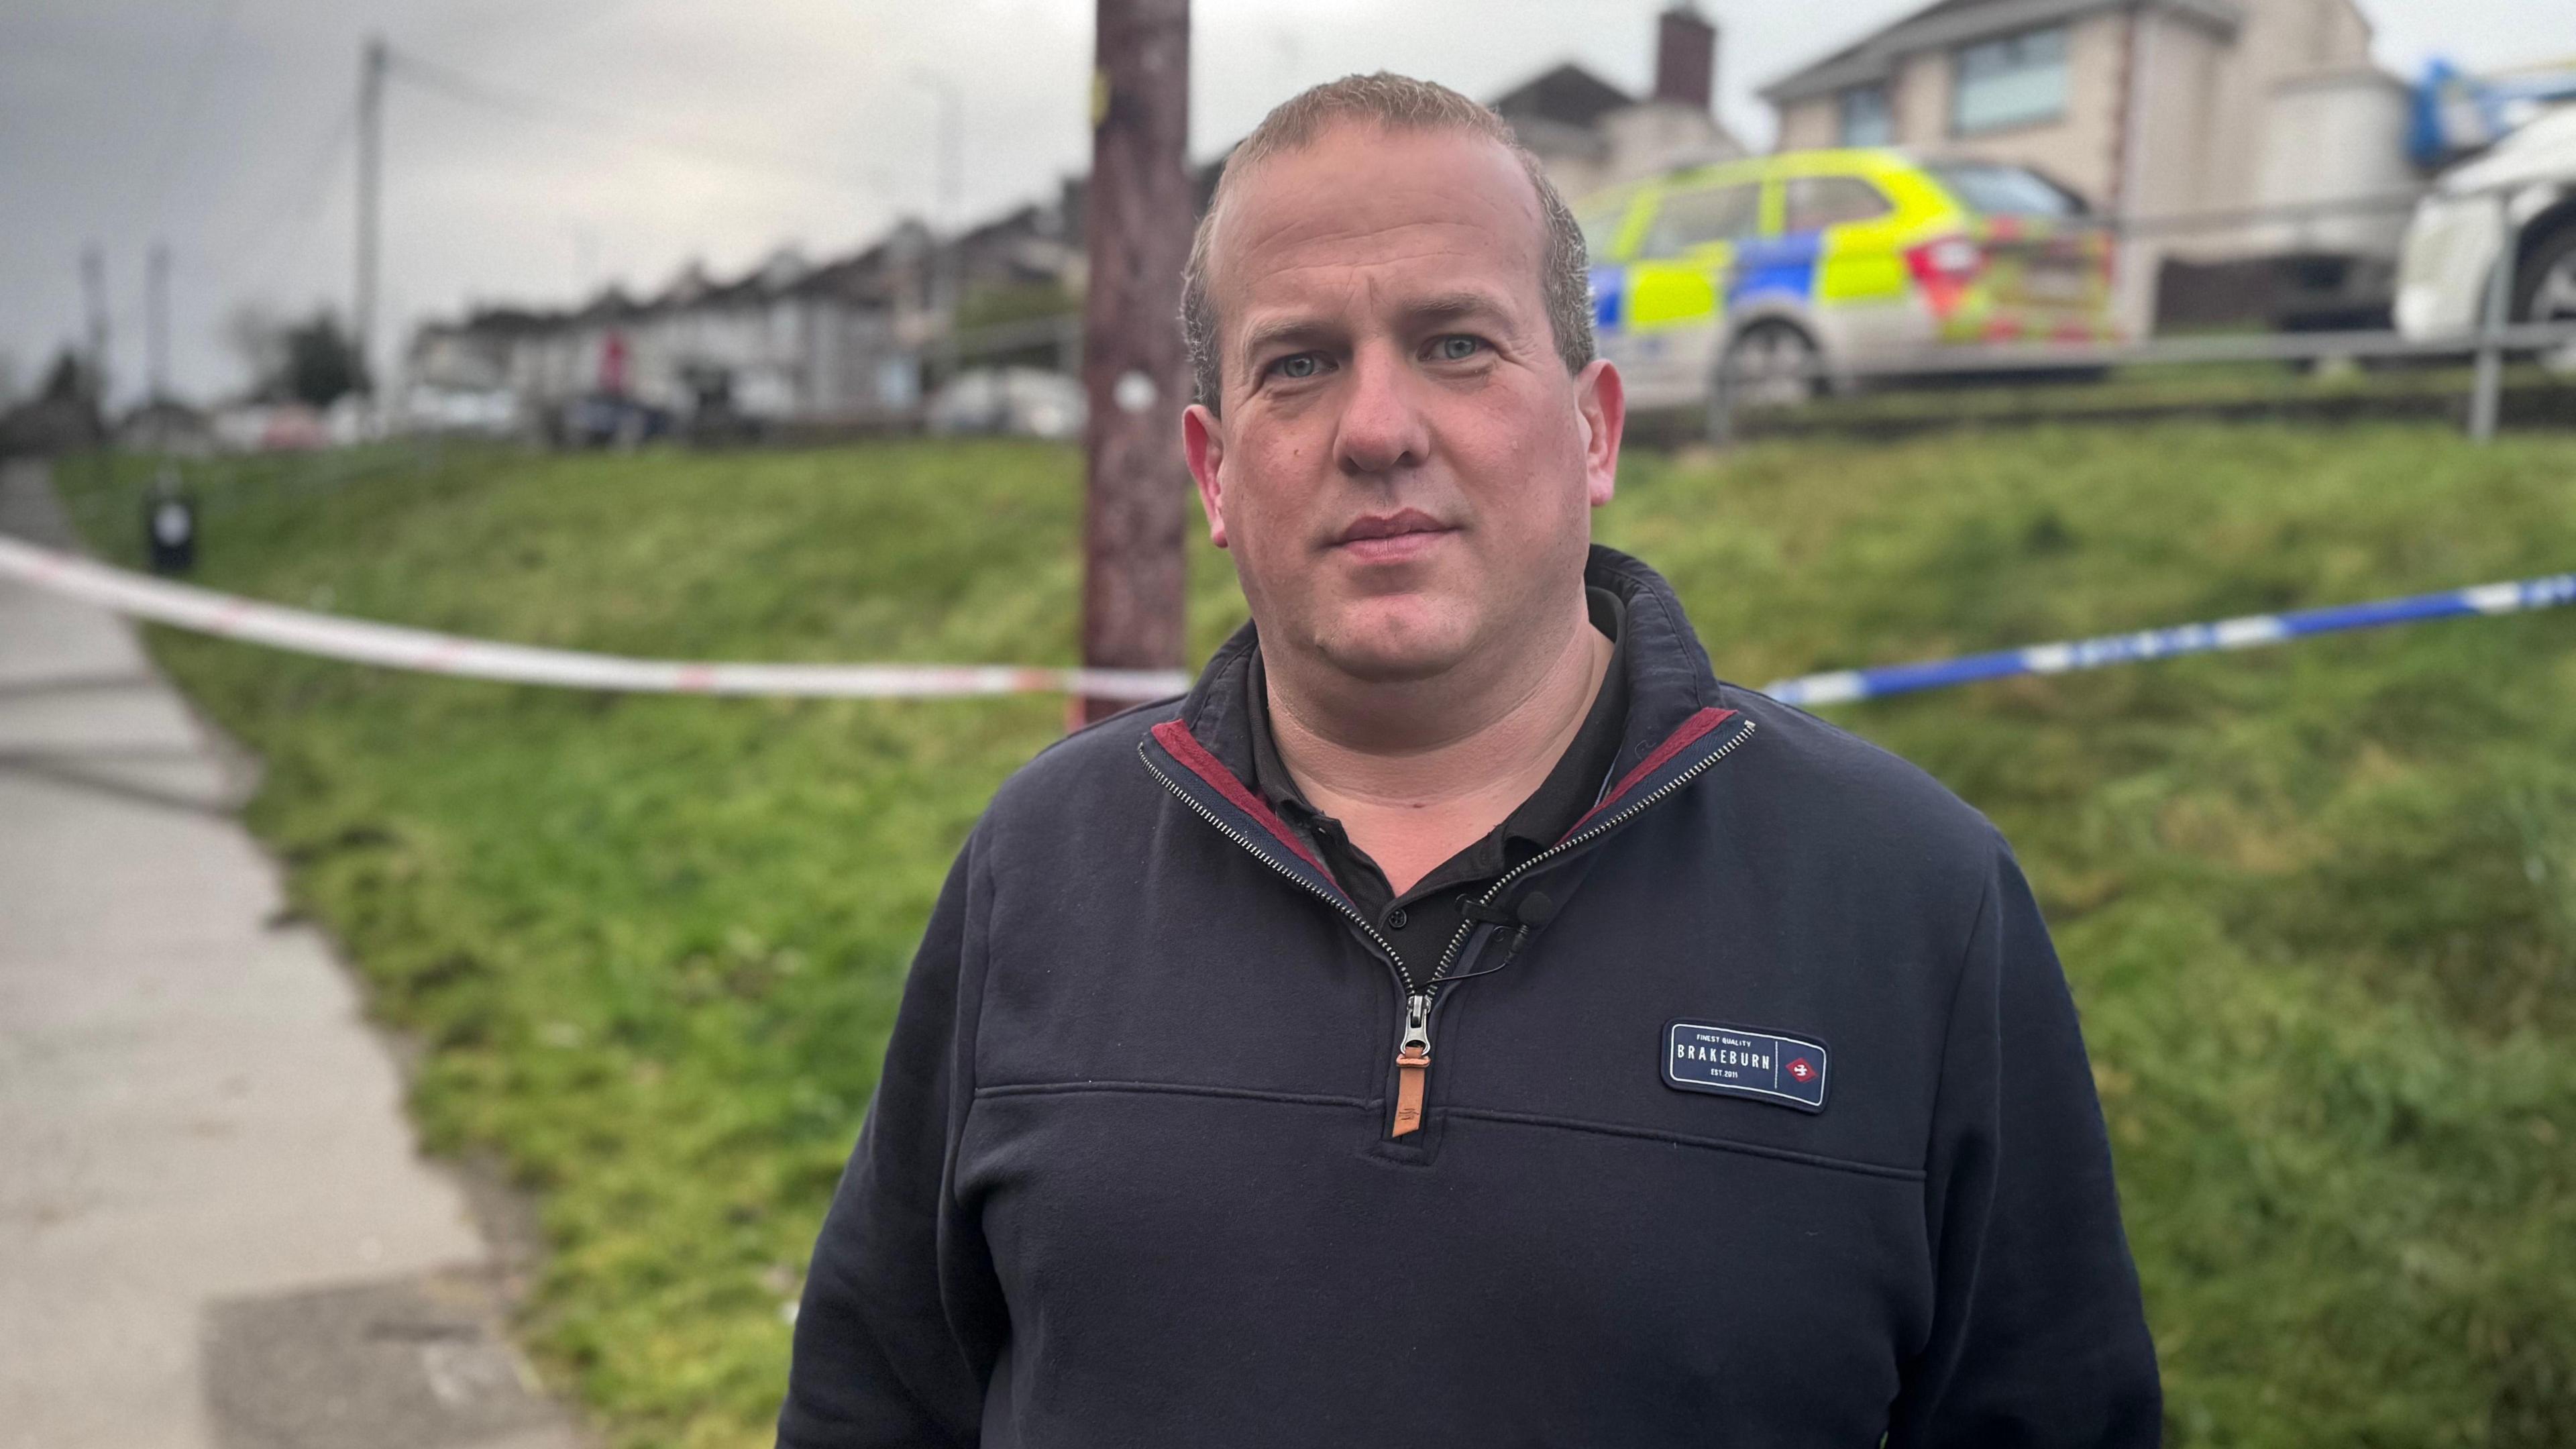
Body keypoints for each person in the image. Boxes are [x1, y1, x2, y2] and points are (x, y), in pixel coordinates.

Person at [780, 73, 2159, 1447]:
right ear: (1212, 472)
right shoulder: (1042, 864)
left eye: (1455, 344)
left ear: (1596, 425)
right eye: (1301, 363)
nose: (1379, 430)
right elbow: (874, 1402)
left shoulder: (1916, 903)